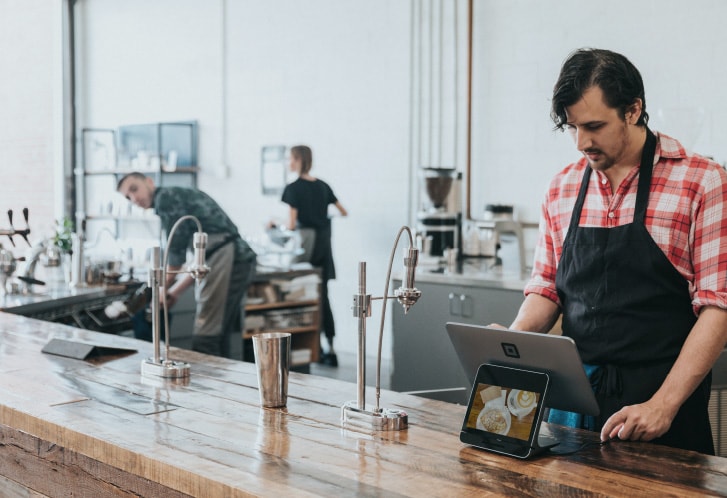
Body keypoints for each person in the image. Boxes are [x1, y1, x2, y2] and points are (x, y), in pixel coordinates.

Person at [508, 48, 727, 455]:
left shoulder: (703, 182)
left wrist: (663, 405)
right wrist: (511, 341)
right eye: (572, 127)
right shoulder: (561, 188)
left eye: (594, 126)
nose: (581, 143)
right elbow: (546, 289)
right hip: (573, 408)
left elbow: (719, 307)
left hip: (662, 409)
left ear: (633, 110)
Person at [117, 172, 257, 359]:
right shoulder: (175, 196)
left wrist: (161, 290)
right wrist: (174, 291)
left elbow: (176, 257)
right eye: (128, 197)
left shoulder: (166, 199)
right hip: (233, 259)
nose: (133, 199)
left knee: (206, 337)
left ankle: (211, 386)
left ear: (149, 182)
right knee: (217, 334)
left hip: (230, 258)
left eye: (134, 189)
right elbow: (201, 262)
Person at [280, 145, 348, 367]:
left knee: (299, 294)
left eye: (290, 158)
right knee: (322, 297)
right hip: (324, 246)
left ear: (298, 159)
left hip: (306, 247)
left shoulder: (293, 188)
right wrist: (323, 217)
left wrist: (275, 224)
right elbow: (343, 211)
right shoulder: (323, 186)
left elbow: (290, 225)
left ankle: (306, 348)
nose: (288, 161)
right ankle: (329, 347)